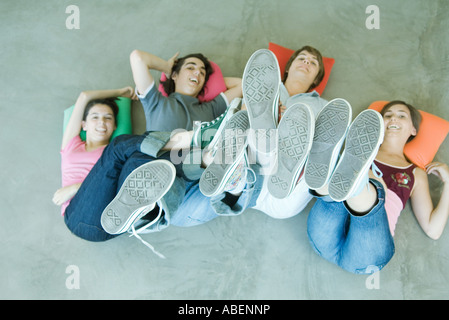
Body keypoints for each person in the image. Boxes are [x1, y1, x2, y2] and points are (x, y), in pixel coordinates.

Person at [306, 101, 449, 274]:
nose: (393, 117)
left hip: (366, 255)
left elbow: (433, 229)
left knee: (375, 185)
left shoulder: (415, 173)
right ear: (379, 124)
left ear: (413, 130)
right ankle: (325, 174)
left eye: (401, 115)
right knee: (335, 197)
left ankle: (342, 176)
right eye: (387, 115)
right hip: (325, 234)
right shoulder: (354, 149)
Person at [52, 86, 137, 214]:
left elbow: (113, 185)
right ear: (84, 125)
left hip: (102, 209)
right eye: (95, 117)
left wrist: (75, 188)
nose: (101, 122)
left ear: (114, 126)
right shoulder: (71, 145)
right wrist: (120, 92)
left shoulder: (114, 151)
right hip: (74, 214)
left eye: (108, 118)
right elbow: (84, 96)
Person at [129, 49, 243, 131]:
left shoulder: (211, 108)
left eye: (202, 73)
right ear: (174, 75)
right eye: (190, 67)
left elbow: (243, 85)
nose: (198, 72)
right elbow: (137, 58)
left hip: (198, 163)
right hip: (157, 162)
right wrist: (167, 67)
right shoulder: (156, 101)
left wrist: (218, 83)